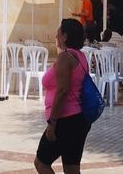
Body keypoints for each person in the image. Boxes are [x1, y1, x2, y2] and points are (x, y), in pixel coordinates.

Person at [34, 18, 92, 174]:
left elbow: (62, 91)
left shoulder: (65, 57)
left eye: (58, 31)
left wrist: (52, 122)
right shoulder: (80, 56)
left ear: (65, 36)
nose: (55, 34)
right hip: (79, 119)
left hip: (65, 120)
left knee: (41, 163)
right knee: (71, 169)